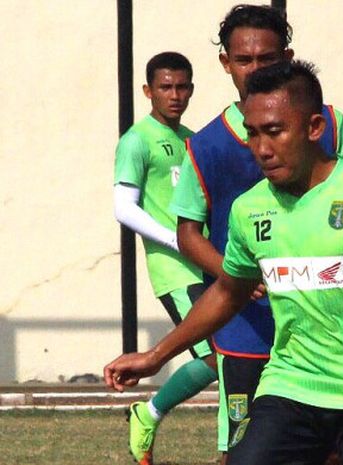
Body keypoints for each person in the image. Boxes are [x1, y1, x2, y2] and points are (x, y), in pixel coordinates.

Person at [106, 60, 343, 465]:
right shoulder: (250, 209)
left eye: (275, 131)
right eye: (253, 134)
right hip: (291, 388)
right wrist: (156, 356)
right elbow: (228, 292)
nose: (261, 148)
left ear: (314, 128)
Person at [168, 4, 343, 459]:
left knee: (332, 450)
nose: (254, 69)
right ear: (225, 63)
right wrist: (239, 277)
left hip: (327, 327)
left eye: (267, 59)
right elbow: (188, 232)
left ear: (289, 58)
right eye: (243, 59)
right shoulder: (205, 145)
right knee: (241, 450)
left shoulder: (329, 125)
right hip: (247, 329)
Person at [113, 51, 218, 465]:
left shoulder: (192, 138)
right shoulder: (136, 140)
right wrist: (181, 242)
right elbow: (124, 208)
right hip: (176, 269)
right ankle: (148, 412)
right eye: (165, 87)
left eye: (182, 87)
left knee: (237, 355)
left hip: (211, 264)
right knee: (216, 355)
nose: (175, 95)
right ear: (148, 91)